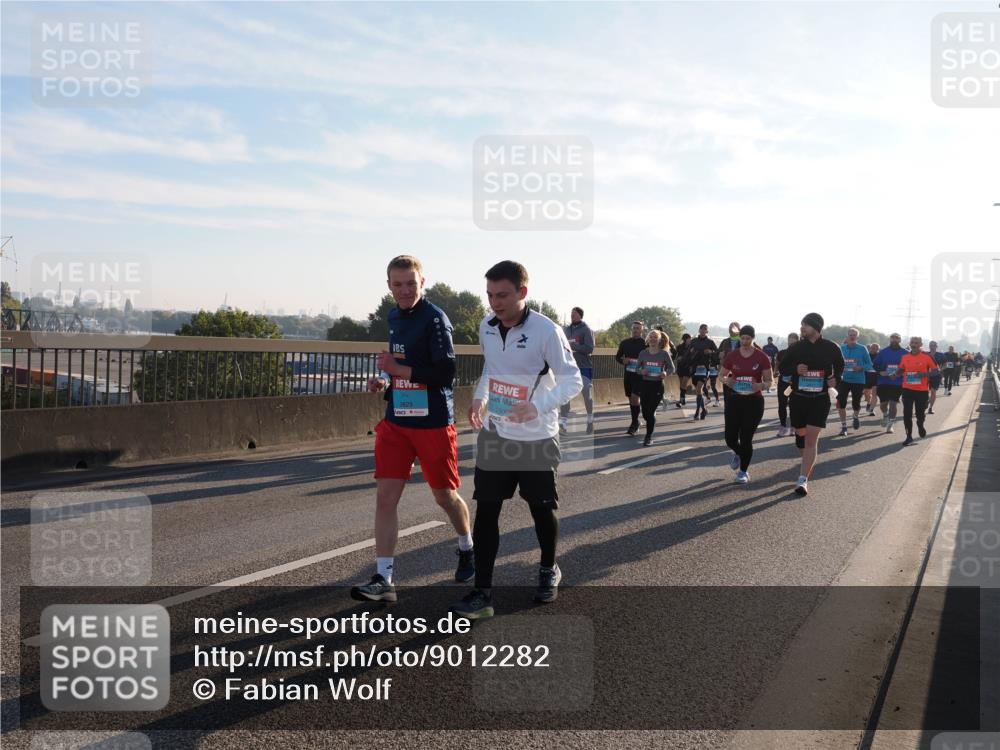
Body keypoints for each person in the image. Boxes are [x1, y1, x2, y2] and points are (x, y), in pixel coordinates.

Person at [451, 260, 582, 620]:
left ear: (523, 292)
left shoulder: (547, 331)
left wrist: (536, 407)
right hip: (497, 432)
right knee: (487, 509)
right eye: (490, 295)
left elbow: (573, 381)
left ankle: (547, 568)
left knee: (541, 507)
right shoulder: (487, 327)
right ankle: (482, 591)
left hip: (537, 436)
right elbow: (492, 369)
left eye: (503, 295)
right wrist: (480, 396)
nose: (495, 302)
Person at [351, 255, 475, 603]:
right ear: (389, 286)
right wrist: (384, 379)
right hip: (397, 421)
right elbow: (400, 365)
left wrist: (398, 370)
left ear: (423, 283)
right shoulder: (393, 316)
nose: (404, 290)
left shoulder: (436, 319)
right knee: (385, 497)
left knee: (444, 496)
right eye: (397, 284)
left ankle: (467, 546)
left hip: (433, 422)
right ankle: (384, 578)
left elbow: (445, 374)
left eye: (410, 283)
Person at [778, 312, 844, 496]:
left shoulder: (831, 347)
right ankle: (807, 460)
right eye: (801, 325)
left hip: (820, 398)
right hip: (798, 397)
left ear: (815, 327)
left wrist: (835, 379)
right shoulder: (797, 347)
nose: (802, 328)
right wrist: (795, 369)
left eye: (805, 325)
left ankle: (802, 480)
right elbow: (782, 367)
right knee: (801, 437)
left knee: (811, 440)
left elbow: (840, 366)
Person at [720, 325, 773, 484]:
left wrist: (761, 386)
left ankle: (743, 472)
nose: (745, 341)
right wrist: (727, 380)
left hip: (754, 401)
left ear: (753, 338)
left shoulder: (761, 357)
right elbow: (721, 375)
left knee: (746, 437)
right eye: (742, 338)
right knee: (730, 438)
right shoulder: (732, 355)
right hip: (734, 399)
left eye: (748, 338)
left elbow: (770, 381)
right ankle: (738, 453)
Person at [560, 306, 596, 435]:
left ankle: (590, 419)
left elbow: (590, 348)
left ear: (580, 316)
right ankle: (563, 424)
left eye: (574, 314)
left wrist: (574, 346)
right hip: (569, 367)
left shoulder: (586, 330)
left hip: (584, 366)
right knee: (565, 393)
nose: (572, 316)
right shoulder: (566, 330)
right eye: (571, 314)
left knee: (586, 392)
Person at [636, 330, 675, 446]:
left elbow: (672, 368)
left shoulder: (664, 354)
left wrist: (665, 373)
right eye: (651, 337)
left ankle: (648, 436)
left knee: (651, 411)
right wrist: (641, 371)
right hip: (645, 385)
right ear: (648, 339)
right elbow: (637, 368)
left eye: (655, 337)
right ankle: (651, 421)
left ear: (659, 340)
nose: (653, 339)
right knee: (645, 413)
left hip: (657, 385)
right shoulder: (643, 353)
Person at [898, 336, 938, 447]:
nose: (914, 344)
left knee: (920, 414)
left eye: (916, 343)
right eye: (912, 342)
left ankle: (920, 425)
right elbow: (901, 369)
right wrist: (895, 374)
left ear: (920, 345)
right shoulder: (905, 357)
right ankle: (909, 436)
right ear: (910, 344)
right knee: (907, 414)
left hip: (921, 391)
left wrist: (924, 374)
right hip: (907, 389)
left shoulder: (927, 357)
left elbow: (935, 371)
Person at [836, 328, 874, 435]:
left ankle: (855, 416)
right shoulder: (842, 348)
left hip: (858, 380)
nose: (852, 337)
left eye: (854, 335)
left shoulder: (862, 349)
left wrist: (861, 367)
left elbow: (870, 364)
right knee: (841, 402)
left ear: (857, 337)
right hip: (844, 379)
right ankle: (844, 427)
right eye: (850, 335)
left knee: (856, 403)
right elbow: (836, 363)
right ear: (847, 336)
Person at [615, 321, 647, 435]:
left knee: (634, 397)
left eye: (638, 328)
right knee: (631, 399)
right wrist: (622, 360)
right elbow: (617, 357)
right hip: (628, 375)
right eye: (634, 328)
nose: (635, 330)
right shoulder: (625, 343)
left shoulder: (645, 344)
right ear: (631, 329)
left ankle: (634, 423)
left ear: (642, 330)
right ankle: (636, 421)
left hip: (640, 376)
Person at [873, 333, 906, 433]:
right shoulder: (883, 352)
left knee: (893, 403)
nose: (894, 340)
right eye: (892, 338)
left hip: (897, 382)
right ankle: (885, 415)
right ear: (890, 340)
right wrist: (880, 371)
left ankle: (890, 425)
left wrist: (899, 373)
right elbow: (875, 365)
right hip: (883, 381)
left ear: (900, 340)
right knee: (883, 404)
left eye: (897, 338)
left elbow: (908, 367)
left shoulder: (905, 352)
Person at [688, 324, 719, 421]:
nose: (702, 331)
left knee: (699, 388)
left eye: (705, 329)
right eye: (701, 329)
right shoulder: (693, 341)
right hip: (695, 369)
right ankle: (704, 409)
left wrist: (710, 351)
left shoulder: (710, 342)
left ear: (707, 331)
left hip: (705, 369)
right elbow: (687, 353)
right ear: (699, 330)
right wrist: (691, 351)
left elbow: (717, 353)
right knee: (698, 391)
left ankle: (698, 410)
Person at [775, 332, 799, 437]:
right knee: (782, 405)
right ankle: (783, 427)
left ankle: (793, 428)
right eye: (790, 338)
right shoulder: (782, 353)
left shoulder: (801, 353)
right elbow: (777, 364)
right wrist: (775, 371)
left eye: (794, 338)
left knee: (794, 406)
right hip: (783, 382)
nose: (792, 340)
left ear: (798, 340)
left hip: (795, 383)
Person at [673, 333, 692, 409]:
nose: (689, 340)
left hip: (688, 367)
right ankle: (682, 398)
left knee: (684, 383)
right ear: (685, 339)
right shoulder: (679, 347)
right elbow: (676, 356)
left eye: (690, 339)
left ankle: (682, 399)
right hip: (681, 367)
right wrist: (678, 358)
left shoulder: (692, 347)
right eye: (688, 339)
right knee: (681, 384)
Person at [927, 340, 945, 415]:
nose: (932, 347)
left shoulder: (940, 355)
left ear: (936, 347)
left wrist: (940, 369)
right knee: (924, 392)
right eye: (931, 345)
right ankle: (925, 402)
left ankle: (930, 408)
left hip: (936, 376)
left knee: (933, 392)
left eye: (934, 345)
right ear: (929, 346)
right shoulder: (925, 354)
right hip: (926, 375)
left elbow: (945, 364)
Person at [864, 342, 881, 415]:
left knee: (874, 394)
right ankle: (868, 403)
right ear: (870, 348)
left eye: (875, 348)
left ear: (878, 349)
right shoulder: (866, 356)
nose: (873, 349)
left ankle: (871, 410)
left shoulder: (880, 356)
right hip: (866, 377)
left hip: (876, 377)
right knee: (866, 393)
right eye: (872, 348)